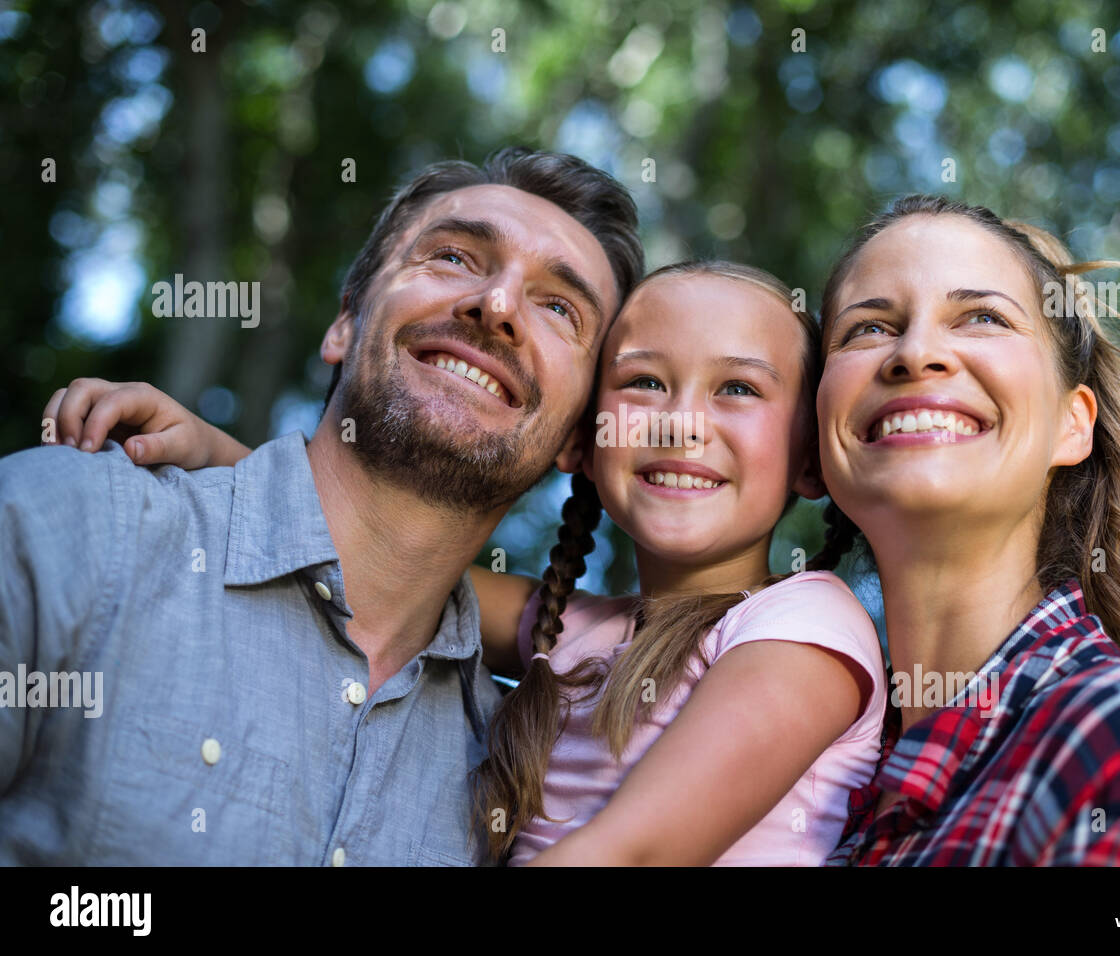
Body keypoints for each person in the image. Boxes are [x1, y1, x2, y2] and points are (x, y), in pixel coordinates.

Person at [41, 261, 888, 866]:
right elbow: (374, 556)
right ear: (581, 446)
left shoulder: (805, 624)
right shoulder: (576, 630)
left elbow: (638, 850)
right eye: (643, 384)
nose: (677, 424)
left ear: (809, 461)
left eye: (737, 389)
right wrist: (218, 453)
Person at [0, 146, 643, 865]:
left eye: (559, 307)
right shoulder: (70, 527)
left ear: (577, 438)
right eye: (456, 258)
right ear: (345, 321)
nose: (496, 306)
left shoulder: (516, 782)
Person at [811, 195, 1120, 865]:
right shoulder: (818, 794)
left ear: (1071, 424)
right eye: (868, 328)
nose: (915, 353)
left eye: (982, 317)